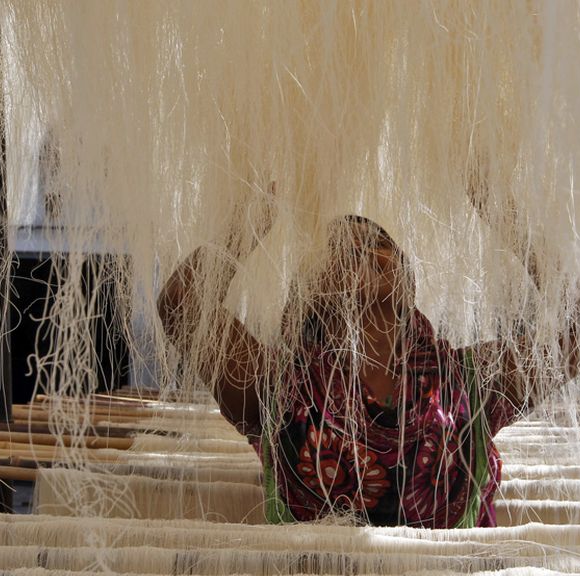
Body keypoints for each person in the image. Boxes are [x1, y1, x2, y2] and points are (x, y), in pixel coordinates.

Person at [158, 200, 535, 528]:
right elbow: (181, 303)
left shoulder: (468, 379)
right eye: (338, 248)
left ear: (409, 281)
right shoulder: (278, 386)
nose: (363, 248)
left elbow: (577, 333)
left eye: (381, 244)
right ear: (310, 291)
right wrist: (247, 224)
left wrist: (504, 211)